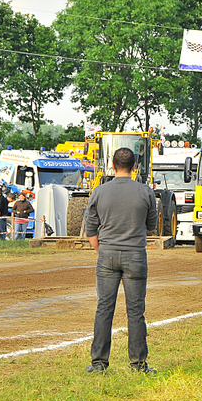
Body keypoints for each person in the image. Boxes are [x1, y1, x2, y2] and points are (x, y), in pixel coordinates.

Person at [84, 147, 158, 374]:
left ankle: (99, 363)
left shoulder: (99, 191)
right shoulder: (146, 192)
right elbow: (152, 226)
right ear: (134, 167)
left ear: (113, 166)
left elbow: (91, 231)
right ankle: (138, 364)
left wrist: (103, 251)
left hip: (107, 254)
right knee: (136, 310)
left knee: (104, 308)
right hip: (135, 255)